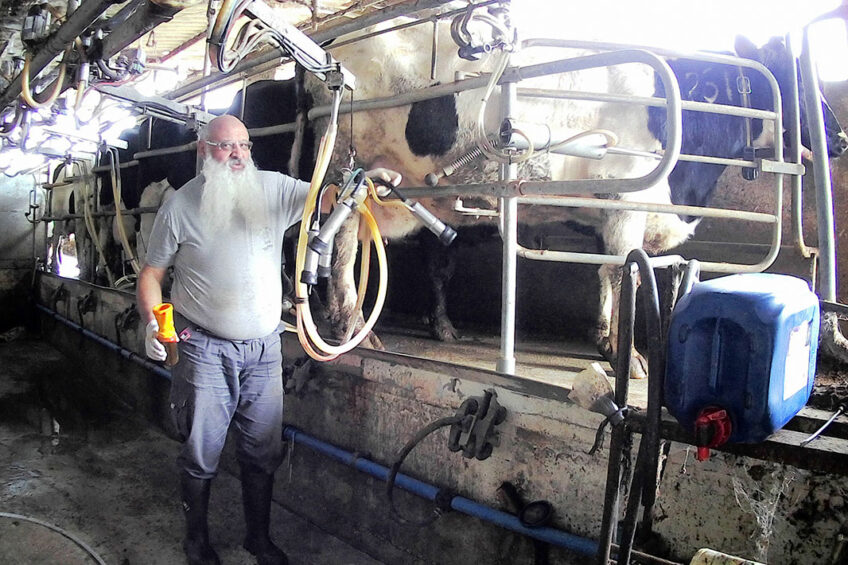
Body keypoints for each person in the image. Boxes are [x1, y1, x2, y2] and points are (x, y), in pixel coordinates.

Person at [137, 114, 400, 565]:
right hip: (202, 347)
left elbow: (328, 198)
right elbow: (151, 274)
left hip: (263, 350)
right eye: (225, 146)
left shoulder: (274, 189)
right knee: (201, 453)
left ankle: (258, 539)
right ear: (204, 152)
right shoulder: (180, 206)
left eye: (244, 144)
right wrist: (150, 321)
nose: (237, 154)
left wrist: (366, 181)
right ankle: (196, 540)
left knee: (263, 451)